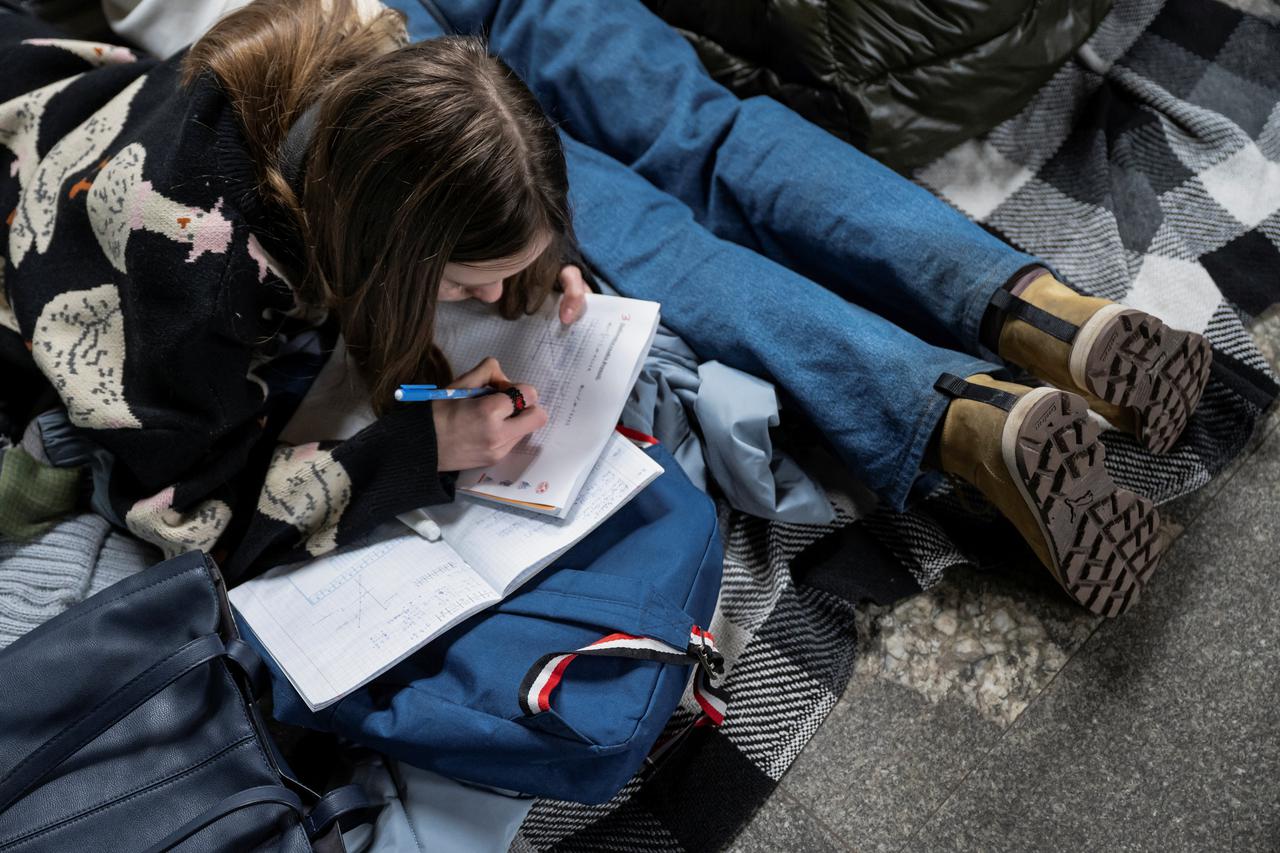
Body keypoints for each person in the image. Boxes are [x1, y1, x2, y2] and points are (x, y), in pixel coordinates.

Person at [0, 0, 1210, 616]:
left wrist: (524, 285)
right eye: (471, 288)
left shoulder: (299, 132)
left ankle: (956, 415)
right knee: (705, 131)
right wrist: (433, 415)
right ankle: (1034, 306)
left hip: (272, 49)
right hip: (328, 54)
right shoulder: (199, 279)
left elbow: (196, 518)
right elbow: (197, 511)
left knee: (647, 238)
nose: (493, 307)